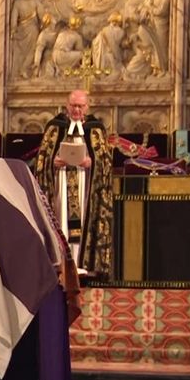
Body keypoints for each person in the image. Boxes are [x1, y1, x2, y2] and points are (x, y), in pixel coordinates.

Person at [33, 90, 113, 279]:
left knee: (83, 222)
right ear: (67, 105)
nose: (77, 110)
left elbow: (106, 160)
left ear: (87, 106)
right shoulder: (55, 127)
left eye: (81, 106)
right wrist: (53, 161)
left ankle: (82, 264)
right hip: (61, 182)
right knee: (61, 221)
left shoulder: (96, 128)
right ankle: (60, 263)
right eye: (73, 105)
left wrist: (92, 162)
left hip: (86, 184)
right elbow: (42, 158)